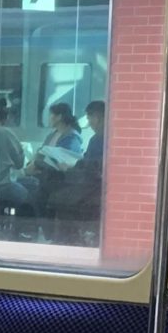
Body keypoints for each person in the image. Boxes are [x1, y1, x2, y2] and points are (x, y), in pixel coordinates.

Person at [48, 99, 106, 243]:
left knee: (57, 198)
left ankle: (65, 239)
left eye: (89, 118)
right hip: (92, 185)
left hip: (92, 188)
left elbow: (92, 167)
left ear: (96, 118)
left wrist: (71, 169)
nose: (89, 123)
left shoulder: (98, 139)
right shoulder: (100, 138)